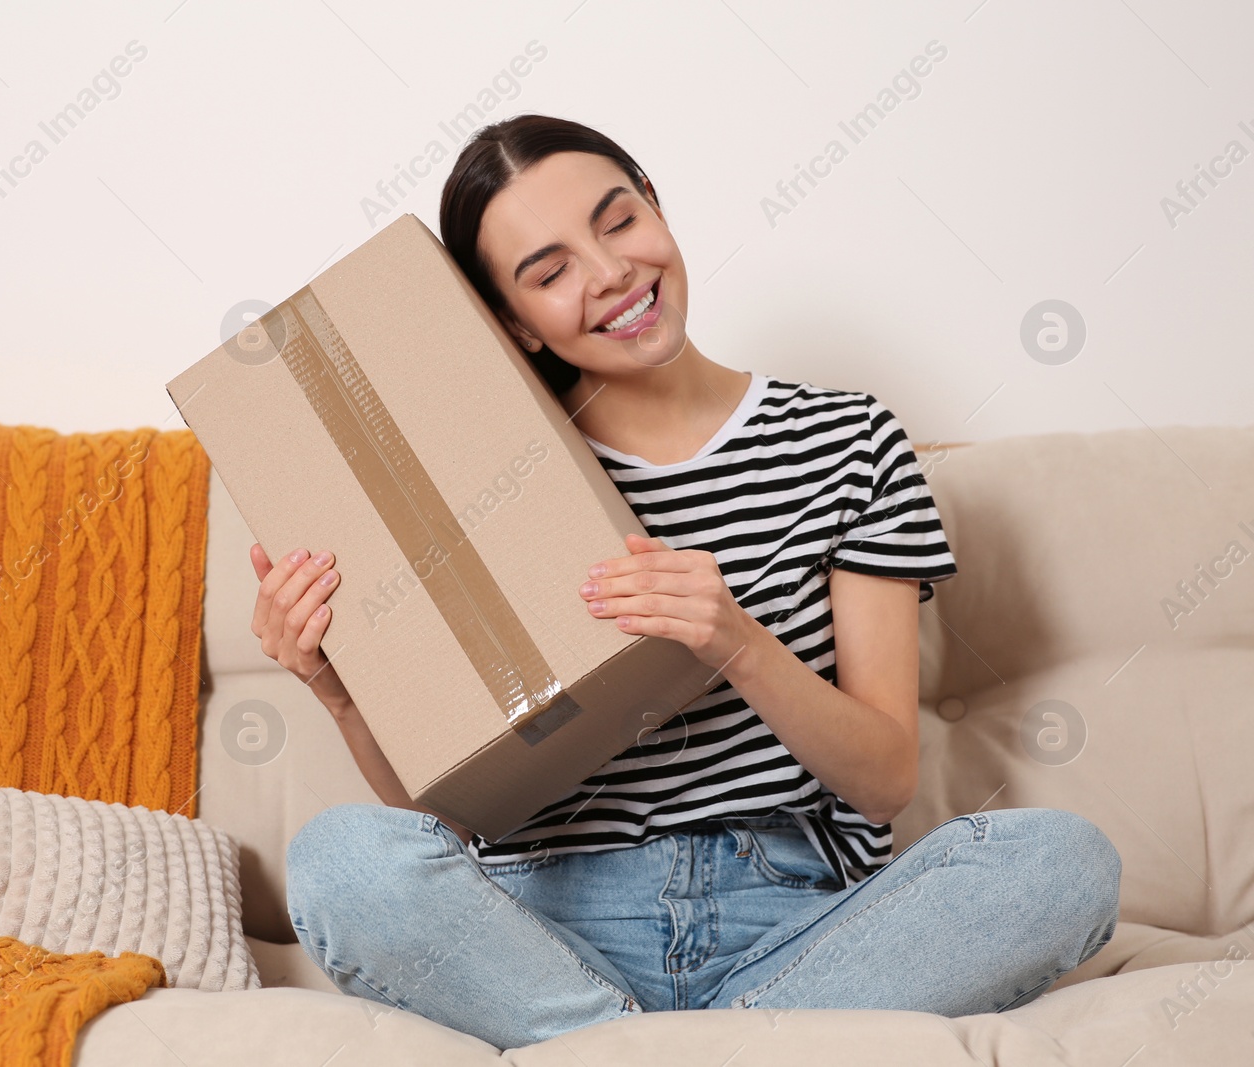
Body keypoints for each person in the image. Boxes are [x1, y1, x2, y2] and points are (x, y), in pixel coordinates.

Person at [248, 113, 1121, 1050]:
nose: (611, 272)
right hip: (545, 930)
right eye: (549, 272)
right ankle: (716, 1046)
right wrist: (341, 692)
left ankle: (611, 1048)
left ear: (657, 209)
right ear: (509, 322)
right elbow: (447, 816)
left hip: (798, 926)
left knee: (1063, 864)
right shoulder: (474, 485)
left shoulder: (848, 441)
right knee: (340, 858)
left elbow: (884, 779)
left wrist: (736, 641)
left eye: (617, 222)